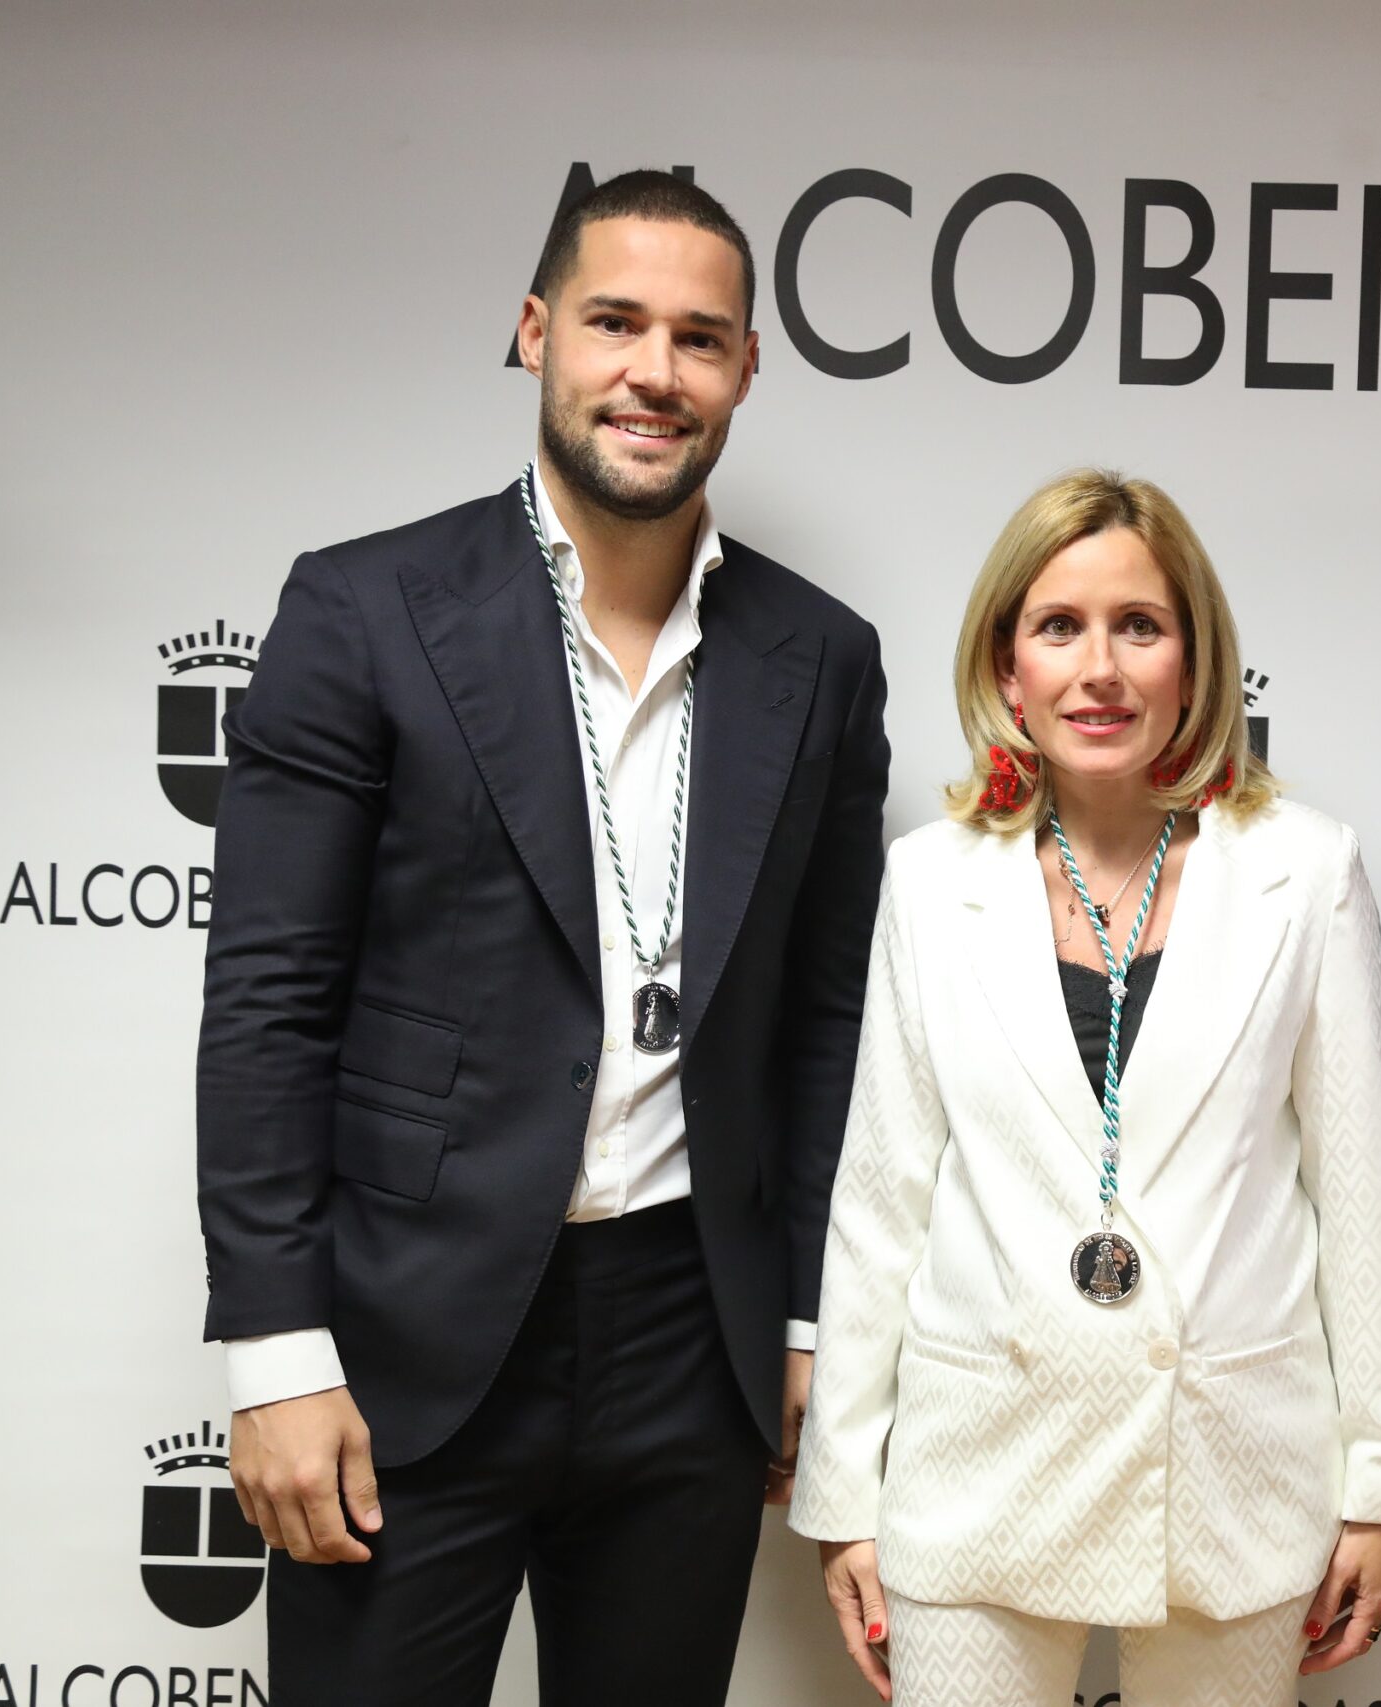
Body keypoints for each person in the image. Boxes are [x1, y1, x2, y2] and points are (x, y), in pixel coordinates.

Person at [194, 169, 889, 1704]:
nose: (656, 370)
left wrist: (799, 1315)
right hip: (399, 1338)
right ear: (534, 334)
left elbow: (830, 1016)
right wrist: (275, 1350)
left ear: (748, 370)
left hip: (688, 1342)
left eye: (701, 337)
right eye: (615, 322)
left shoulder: (823, 657)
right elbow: (266, 1004)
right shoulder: (364, 609)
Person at [789, 470, 1381, 1706]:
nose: (1100, 669)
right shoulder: (930, 882)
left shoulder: (1306, 871)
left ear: (1195, 663)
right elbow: (881, 1203)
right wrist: (844, 1495)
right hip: (973, 1472)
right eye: (1059, 627)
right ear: (1008, 662)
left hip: (1233, 1473)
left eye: (1139, 627)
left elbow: (1360, 1198)